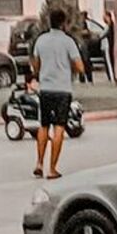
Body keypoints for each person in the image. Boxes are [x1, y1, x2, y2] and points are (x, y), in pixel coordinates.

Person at [29, 9, 84, 180]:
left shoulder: (41, 40)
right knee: (59, 127)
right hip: (63, 89)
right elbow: (80, 66)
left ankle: (39, 163)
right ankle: (52, 169)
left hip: (45, 89)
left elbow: (35, 64)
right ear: (63, 24)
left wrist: (40, 73)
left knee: (43, 125)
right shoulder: (68, 42)